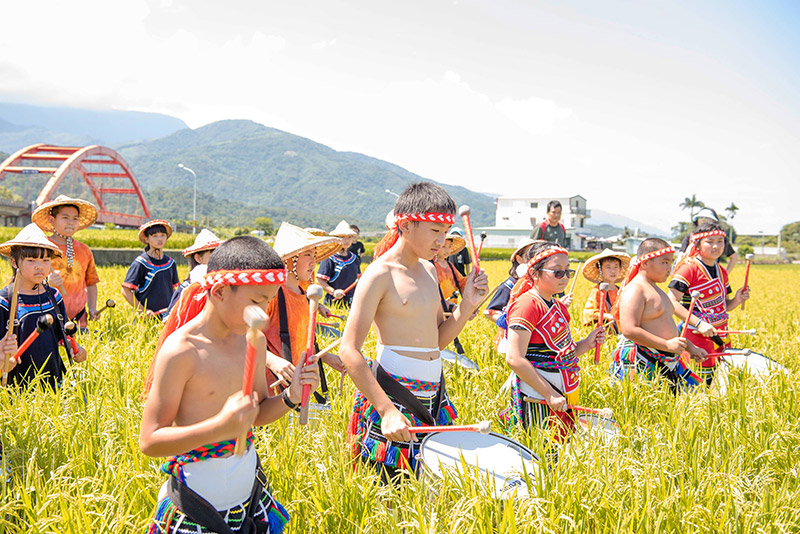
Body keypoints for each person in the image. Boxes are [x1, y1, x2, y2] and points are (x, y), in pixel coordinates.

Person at [140, 236, 320, 534]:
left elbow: (258, 414)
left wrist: (291, 395)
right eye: (255, 301)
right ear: (221, 291)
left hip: (247, 497)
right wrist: (219, 428)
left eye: (268, 301)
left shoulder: (254, 340)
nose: (263, 312)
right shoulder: (182, 350)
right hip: (196, 504)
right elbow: (150, 440)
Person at [342, 182, 488, 482]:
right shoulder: (379, 274)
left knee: (427, 491)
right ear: (406, 225)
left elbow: (436, 340)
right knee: (390, 494)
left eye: (445, 232)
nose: (442, 240)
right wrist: (385, 411)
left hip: (434, 392)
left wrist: (467, 305)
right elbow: (349, 350)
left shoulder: (430, 270)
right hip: (393, 394)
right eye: (435, 231)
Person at [504, 241, 604, 440]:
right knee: (542, 455)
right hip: (538, 394)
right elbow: (514, 358)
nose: (565, 277)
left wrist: (587, 343)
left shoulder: (557, 306)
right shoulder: (527, 305)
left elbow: (561, 354)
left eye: (567, 271)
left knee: (561, 453)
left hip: (562, 391)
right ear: (534, 273)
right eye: (557, 272)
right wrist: (548, 393)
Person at [610, 238, 706, 391]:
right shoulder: (636, 289)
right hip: (644, 359)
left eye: (670, 263)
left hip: (668, 359)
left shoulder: (658, 291)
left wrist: (690, 347)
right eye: (664, 262)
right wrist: (667, 345)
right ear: (645, 263)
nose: (669, 268)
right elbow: (629, 330)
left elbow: (665, 327)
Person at [0, 224, 87, 389]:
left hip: (53, 382)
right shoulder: (5, 301)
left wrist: (76, 349)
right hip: (18, 387)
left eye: (45, 260)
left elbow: (63, 336)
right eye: (31, 261)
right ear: (14, 262)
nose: (39, 266)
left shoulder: (53, 296)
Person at [264, 222, 345, 396]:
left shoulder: (305, 295)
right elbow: (241, 338)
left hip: (295, 391)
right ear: (290, 259)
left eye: (314, 255)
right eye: (308, 254)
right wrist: (271, 360)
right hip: (268, 392)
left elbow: (301, 341)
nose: (314, 262)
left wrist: (326, 358)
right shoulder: (270, 295)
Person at [668, 222, 749, 385]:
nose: (716, 246)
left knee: (718, 382)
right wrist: (699, 324)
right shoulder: (688, 269)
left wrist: (737, 300)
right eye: (709, 241)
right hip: (695, 336)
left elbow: (724, 306)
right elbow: (671, 301)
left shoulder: (721, 271)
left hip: (721, 335)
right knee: (697, 384)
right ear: (697, 245)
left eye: (720, 241)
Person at [31, 195, 100, 330]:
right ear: (52, 220)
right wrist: (47, 282)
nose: (70, 222)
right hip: (48, 317)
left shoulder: (84, 250)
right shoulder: (42, 248)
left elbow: (91, 283)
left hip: (79, 319)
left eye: (75, 218)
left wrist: (92, 308)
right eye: (65, 217)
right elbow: (28, 282)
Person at [484, 238, 535, 353]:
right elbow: (489, 312)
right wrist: (511, 321)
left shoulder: (537, 284)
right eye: (530, 255)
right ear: (519, 259)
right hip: (509, 342)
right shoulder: (509, 286)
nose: (534, 259)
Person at [122, 220, 179, 321]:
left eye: (162, 235)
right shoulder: (140, 263)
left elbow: (173, 289)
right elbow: (125, 290)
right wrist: (143, 310)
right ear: (147, 239)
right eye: (155, 236)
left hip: (168, 316)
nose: (160, 239)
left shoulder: (170, 263)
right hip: (147, 317)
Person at [166, 229, 223, 315]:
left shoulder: (222, 287)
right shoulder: (186, 289)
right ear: (198, 258)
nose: (218, 259)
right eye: (213, 254)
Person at [581, 249, 631, 334]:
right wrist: (607, 316)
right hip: (605, 335)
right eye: (608, 267)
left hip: (622, 333)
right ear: (599, 270)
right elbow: (588, 313)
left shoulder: (621, 291)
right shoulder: (597, 291)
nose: (613, 271)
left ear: (620, 269)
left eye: (616, 267)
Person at [316, 220, 361, 307]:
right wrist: (333, 292)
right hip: (333, 303)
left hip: (351, 304)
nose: (346, 240)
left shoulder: (354, 258)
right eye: (342, 237)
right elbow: (320, 280)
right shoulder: (329, 258)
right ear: (336, 238)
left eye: (349, 237)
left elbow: (358, 279)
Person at [678, 208, 738, 273]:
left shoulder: (720, 237)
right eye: (701, 218)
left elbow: (733, 257)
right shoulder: (690, 236)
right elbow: (681, 255)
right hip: (692, 273)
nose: (703, 220)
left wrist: (726, 274)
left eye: (707, 218)